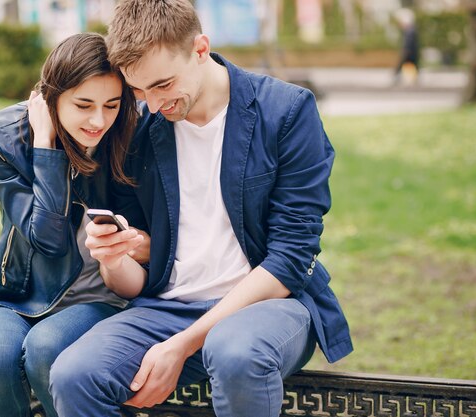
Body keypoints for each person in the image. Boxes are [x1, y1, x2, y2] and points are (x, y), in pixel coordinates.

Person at [49, 1, 353, 416]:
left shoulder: (286, 112)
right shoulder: (140, 128)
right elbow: (134, 279)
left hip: (267, 307)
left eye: (162, 85)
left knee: (236, 352)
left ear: (200, 48)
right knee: (74, 375)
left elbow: (290, 258)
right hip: (165, 307)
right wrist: (114, 256)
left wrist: (183, 344)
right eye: (138, 91)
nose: (152, 105)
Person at [0, 33, 142, 417]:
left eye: (111, 105)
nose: (99, 120)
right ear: (51, 98)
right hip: (25, 292)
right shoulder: (0, 140)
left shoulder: (131, 131)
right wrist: (46, 148)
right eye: (83, 105)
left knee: (47, 348)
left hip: (103, 296)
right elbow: (46, 239)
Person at [393, 8, 419, 86]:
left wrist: (405, 52)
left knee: (404, 67)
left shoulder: (410, 32)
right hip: (411, 54)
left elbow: (408, 45)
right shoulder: (411, 31)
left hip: (409, 54)